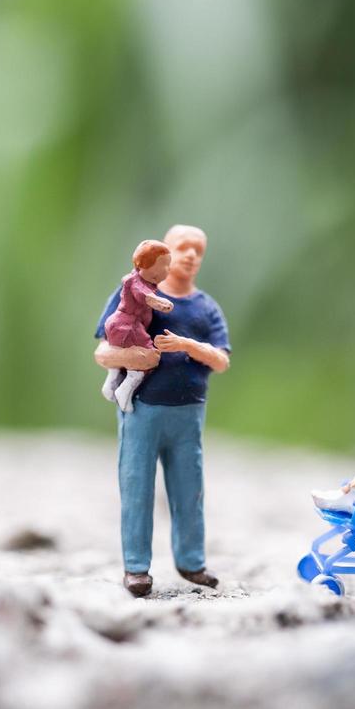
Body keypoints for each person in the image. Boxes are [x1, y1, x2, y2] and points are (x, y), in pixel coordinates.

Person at [94, 224, 230, 598]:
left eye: (197, 250)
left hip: (188, 414)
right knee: (137, 487)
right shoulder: (133, 295)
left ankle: (191, 560)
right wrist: (134, 356)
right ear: (164, 254)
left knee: (189, 490)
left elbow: (220, 361)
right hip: (142, 411)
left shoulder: (206, 309)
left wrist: (187, 345)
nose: (189, 255)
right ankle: (136, 568)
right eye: (182, 247)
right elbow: (102, 352)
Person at [100, 240, 175, 413]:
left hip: (120, 325)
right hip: (126, 326)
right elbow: (144, 295)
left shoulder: (144, 281)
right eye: (164, 265)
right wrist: (160, 302)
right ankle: (124, 390)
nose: (168, 270)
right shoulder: (135, 282)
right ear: (147, 266)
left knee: (123, 360)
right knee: (147, 358)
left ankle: (110, 384)